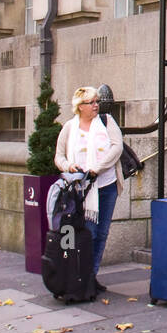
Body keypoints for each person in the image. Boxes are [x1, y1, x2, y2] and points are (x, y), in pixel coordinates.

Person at [55, 86, 124, 295]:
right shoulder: (69, 127)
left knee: (102, 233)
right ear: (80, 107)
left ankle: (91, 276)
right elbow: (59, 157)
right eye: (92, 102)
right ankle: (81, 276)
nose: (96, 105)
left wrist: (97, 169)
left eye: (97, 101)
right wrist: (69, 167)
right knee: (88, 233)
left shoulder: (106, 121)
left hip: (106, 185)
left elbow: (117, 147)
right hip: (79, 189)